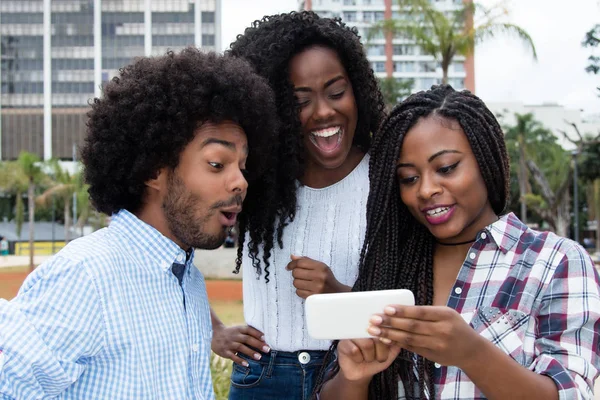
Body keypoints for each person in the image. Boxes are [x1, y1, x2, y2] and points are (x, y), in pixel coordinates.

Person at [0, 47, 278, 399]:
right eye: (217, 164)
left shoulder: (187, 278)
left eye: (243, 165)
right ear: (152, 170)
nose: (241, 182)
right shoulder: (86, 275)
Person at [318, 85, 600, 399]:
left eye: (446, 168)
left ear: (485, 159)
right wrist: (354, 378)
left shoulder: (555, 262)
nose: (425, 190)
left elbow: (573, 393)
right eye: (409, 178)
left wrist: (472, 353)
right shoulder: (389, 266)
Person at [210, 11, 385, 400]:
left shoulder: (388, 176)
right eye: (300, 101)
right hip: (262, 377)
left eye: (336, 92)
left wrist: (338, 294)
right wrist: (215, 330)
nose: (323, 111)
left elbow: (411, 298)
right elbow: (174, 241)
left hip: (353, 377)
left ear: (357, 89)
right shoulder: (254, 179)